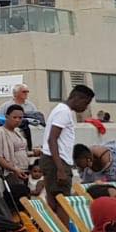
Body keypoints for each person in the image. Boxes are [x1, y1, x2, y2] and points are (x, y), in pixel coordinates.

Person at [40, 85, 95, 214]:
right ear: (77, 98)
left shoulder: (60, 109)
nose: (85, 107)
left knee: (54, 202)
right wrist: (60, 169)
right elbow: (52, 139)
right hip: (57, 162)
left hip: (51, 160)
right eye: (85, 103)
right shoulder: (63, 112)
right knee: (63, 204)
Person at [0, 104, 31, 199]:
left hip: (24, 170)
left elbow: (22, 150)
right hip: (11, 172)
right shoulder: (0, 133)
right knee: (18, 198)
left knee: (25, 197)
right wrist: (14, 169)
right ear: (7, 117)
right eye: (14, 117)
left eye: (20, 118)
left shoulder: (18, 131)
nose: (18, 120)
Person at [0, 83, 37, 149]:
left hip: (27, 137)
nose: (26, 93)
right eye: (24, 91)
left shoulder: (31, 106)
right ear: (15, 93)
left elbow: (36, 118)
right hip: (10, 136)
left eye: (27, 91)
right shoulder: (5, 106)